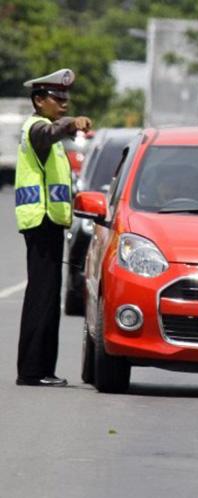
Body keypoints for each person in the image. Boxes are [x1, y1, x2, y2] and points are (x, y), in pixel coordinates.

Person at [14, 68, 92, 387]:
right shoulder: (37, 128)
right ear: (38, 100)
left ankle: (42, 369)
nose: (63, 104)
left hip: (49, 222)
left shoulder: (48, 131)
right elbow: (48, 135)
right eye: (56, 99)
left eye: (65, 100)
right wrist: (70, 123)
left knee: (47, 296)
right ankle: (33, 371)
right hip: (40, 220)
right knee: (42, 296)